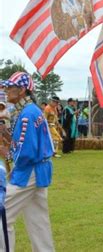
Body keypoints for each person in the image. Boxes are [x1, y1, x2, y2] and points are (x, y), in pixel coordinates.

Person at [0, 72, 55, 251]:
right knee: (38, 220)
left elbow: (27, 152)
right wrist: (7, 135)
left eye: (10, 87)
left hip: (28, 171)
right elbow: (25, 142)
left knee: (2, 214)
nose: (6, 90)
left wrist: (7, 153)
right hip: (38, 169)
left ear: (23, 90)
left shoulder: (27, 115)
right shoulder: (30, 111)